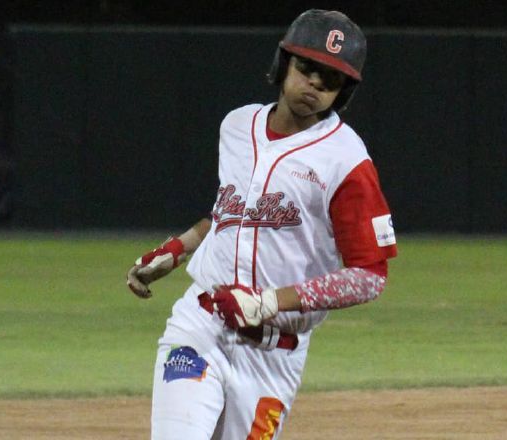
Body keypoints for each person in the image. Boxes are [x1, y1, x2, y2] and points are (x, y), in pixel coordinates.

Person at [126, 9, 397, 440]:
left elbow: (369, 276)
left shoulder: (347, 161)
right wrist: (179, 248)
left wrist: (272, 301)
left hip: (274, 356)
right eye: (307, 68)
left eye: (331, 79)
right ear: (284, 62)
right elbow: (233, 212)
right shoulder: (237, 126)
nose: (315, 84)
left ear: (343, 91)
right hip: (202, 326)